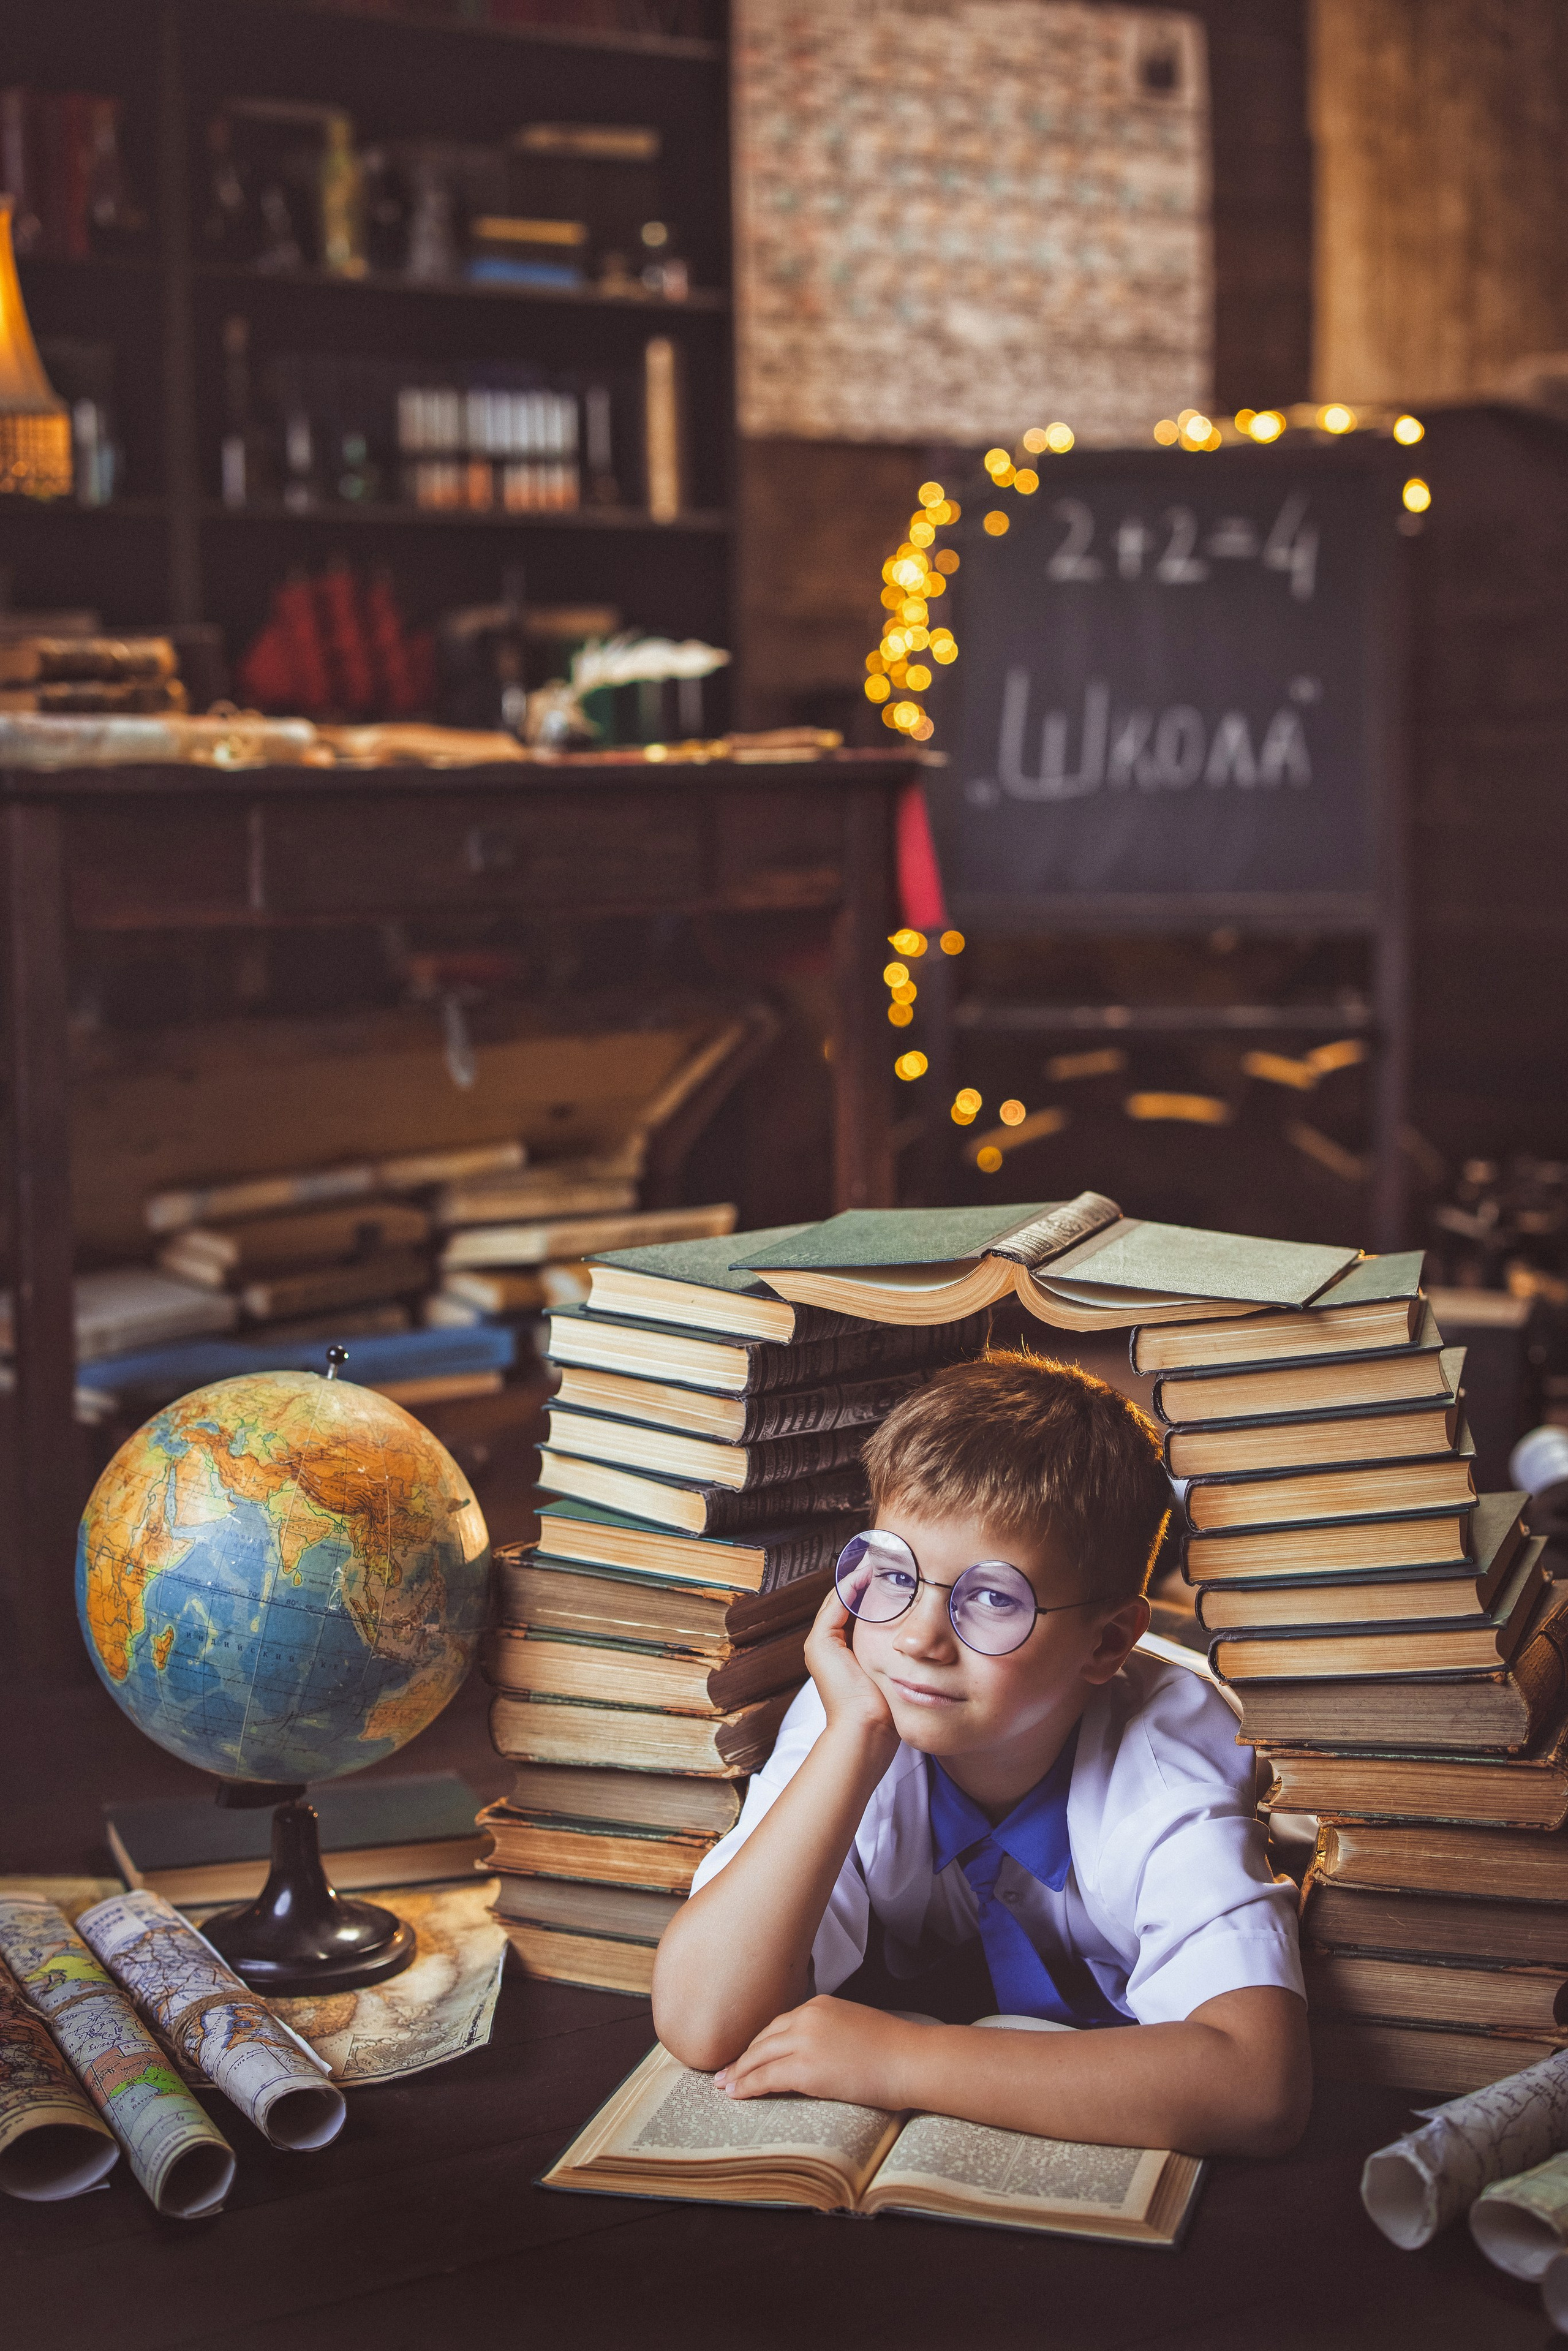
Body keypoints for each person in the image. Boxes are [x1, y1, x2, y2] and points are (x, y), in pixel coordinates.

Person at [652, 1350, 1310, 2158]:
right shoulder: (864, 1703)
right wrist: (853, 1736)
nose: (919, 1638)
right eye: (892, 1572)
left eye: (994, 1597)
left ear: (1107, 1641)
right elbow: (701, 2017)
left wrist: (904, 2058)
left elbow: (1258, 2086)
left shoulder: (1167, 1758)